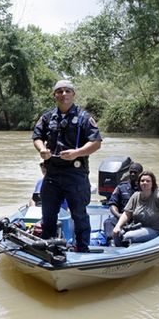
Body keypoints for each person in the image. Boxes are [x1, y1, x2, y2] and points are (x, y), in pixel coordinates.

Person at [32, 79, 102, 252]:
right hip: (52, 174)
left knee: (79, 215)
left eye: (67, 91)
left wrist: (77, 153)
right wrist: (42, 149)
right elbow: (37, 136)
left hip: (75, 174)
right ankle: (48, 247)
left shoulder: (85, 118)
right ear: (54, 95)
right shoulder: (47, 117)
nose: (64, 95)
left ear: (73, 94)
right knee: (48, 214)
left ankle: (82, 248)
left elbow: (96, 142)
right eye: (60, 91)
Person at [113, 170, 159, 246]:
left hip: (156, 230)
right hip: (137, 227)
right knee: (116, 234)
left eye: (148, 181)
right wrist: (118, 226)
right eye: (142, 181)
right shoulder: (135, 196)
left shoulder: (158, 196)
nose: (145, 183)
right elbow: (126, 214)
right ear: (139, 183)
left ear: (152, 184)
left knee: (128, 236)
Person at [103, 162, 143, 242]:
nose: (132, 174)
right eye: (131, 172)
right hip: (122, 217)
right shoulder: (121, 187)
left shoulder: (145, 187)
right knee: (108, 222)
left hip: (139, 219)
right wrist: (118, 215)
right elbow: (113, 204)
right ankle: (112, 241)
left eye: (135, 172)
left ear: (141, 173)